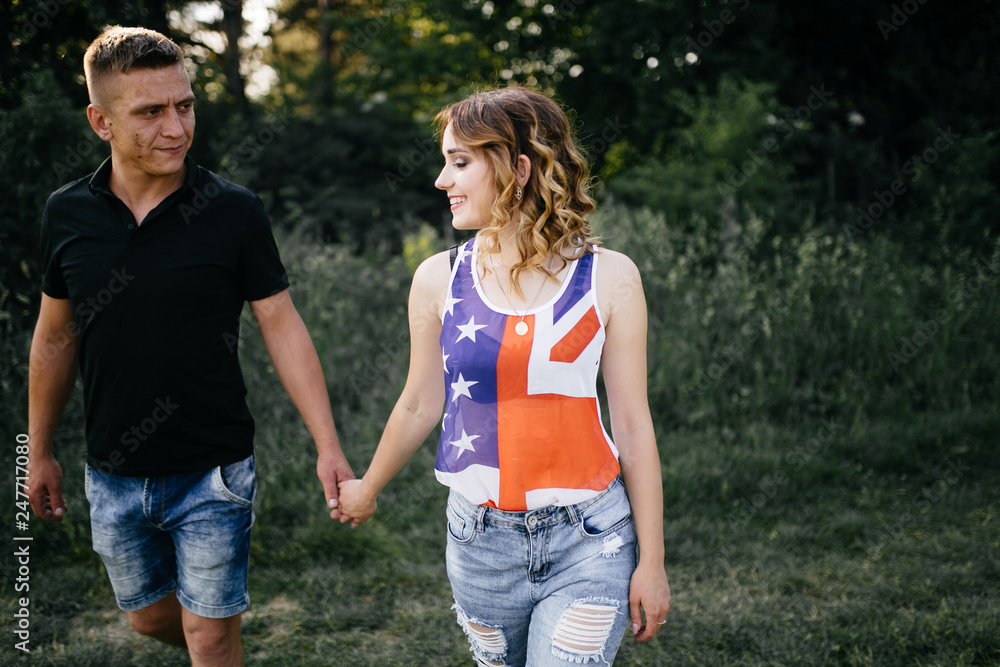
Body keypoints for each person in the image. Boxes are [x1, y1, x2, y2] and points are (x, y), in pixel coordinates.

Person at [27, 26, 354, 666]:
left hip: (213, 471)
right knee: (148, 618)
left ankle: (220, 646)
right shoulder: (66, 215)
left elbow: (281, 323)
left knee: (208, 635)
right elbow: (53, 337)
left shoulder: (231, 210)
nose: (176, 127)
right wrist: (34, 450)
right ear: (101, 121)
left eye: (185, 105)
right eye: (151, 112)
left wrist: (329, 446)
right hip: (112, 472)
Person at [337, 85, 671, 665]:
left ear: (519, 168)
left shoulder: (611, 278)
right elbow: (419, 402)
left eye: (460, 162)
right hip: (479, 547)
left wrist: (653, 562)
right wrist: (367, 488)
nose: (442, 180)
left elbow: (634, 426)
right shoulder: (436, 279)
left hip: (591, 538)